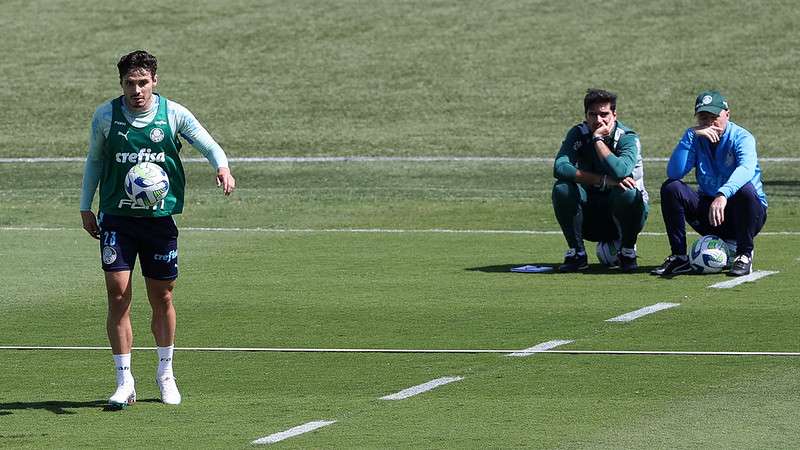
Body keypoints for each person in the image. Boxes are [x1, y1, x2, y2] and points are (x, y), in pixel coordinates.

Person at [79, 50, 236, 408]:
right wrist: (85, 205)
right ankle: (124, 381)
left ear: (154, 81)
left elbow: (207, 143)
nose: (137, 90)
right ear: (121, 83)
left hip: (159, 222)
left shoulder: (173, 114)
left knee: (162, 296)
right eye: (130, 83)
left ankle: (165, 373)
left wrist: (222, 167)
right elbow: (95, 159)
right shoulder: (106, 115)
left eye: (143, 82)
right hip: (117, 217)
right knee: (117, 293)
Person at [651, 90, 767, 277]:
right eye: (704, 117)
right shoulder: (697, 138)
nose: (709, 123)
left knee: (746, 190)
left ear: (727, 114)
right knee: (671, 187)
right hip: (712, 213)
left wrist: (722, 195)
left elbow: (746, 169)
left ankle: (744, 254)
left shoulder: (742, 137)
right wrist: (690, 135)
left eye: (714, 117)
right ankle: (679, 257)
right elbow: (674, 172)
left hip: (746, 213)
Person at [552, 88, 649, 272]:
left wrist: (597, 140)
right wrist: (603, 180)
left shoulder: (627, 138)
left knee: (627, 191)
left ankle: (628, 252)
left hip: (626, 216)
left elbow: (620, 172)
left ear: (614, 114)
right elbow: (560, 167)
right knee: (562, 188)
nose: (598, 120)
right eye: (593, 114)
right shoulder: (578, 133)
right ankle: (577, 254)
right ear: (586, 116)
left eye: (604, 114)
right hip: (591, 216)